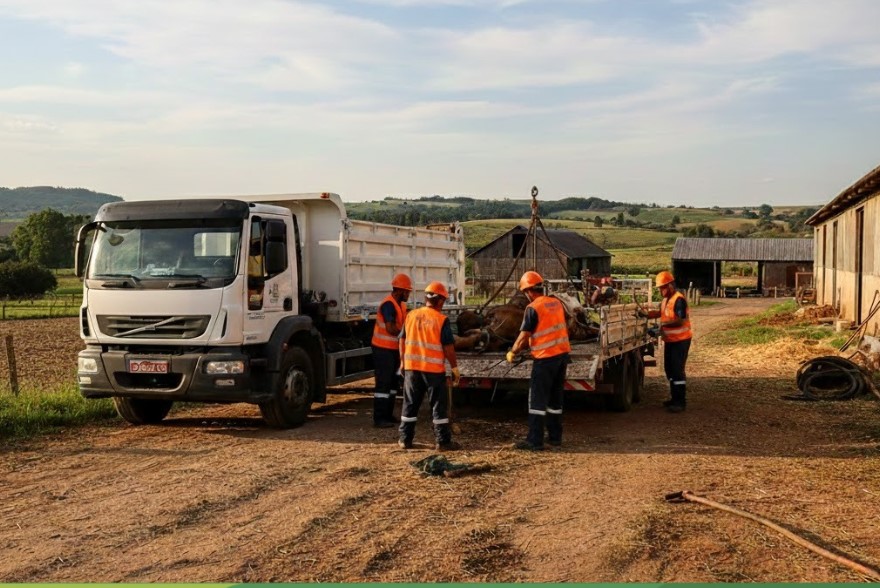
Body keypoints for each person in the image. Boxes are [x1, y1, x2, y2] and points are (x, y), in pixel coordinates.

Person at [506, 271, 571, 451]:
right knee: (555, 400)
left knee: (537, 400)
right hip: (561, 356)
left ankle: (534, 441)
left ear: (528, 291)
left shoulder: (533, 308)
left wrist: (513, 352)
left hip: (544, 359)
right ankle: (555, 437)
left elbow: (523, 336)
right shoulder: (556, 303)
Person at [398, 281, 460, 450]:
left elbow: (402, 340)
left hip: (412, 368)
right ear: (440, 301)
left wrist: (403, 362)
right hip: (433, 371)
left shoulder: (411, 315)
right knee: (438, 406)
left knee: (410, 404)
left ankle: (405, 439)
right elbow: (448, 347)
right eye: (444, 301)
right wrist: (454, 367)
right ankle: (443, 441)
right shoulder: (441, 320)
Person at [640, 270, 692, 413]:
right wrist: (646, 315)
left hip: (681, 341)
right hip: (670, 340)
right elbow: (661, 314)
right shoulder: (666, 300)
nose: (660, 290)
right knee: (669, 369)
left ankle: (680, 402)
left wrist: (662, 326)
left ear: (670, 285)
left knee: (677, 370)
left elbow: (681, 320)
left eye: (662, 287)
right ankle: (674, 398)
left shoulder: (678, 299)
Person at [370, 273, 412, 428]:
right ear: (399, 290)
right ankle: (379, 418)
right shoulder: (388, 304)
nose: (408, 294)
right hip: (383, 350)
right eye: (407, 291)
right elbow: (390, 328)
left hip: (394, 350)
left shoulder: (401, 305)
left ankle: (388, 414)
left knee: (393, 383)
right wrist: (406, 335)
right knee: (383, 383)